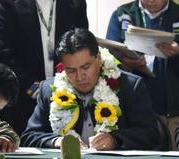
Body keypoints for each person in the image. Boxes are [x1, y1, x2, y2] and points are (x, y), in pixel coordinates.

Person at [21, 28, 159, 150]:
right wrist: (57, 141)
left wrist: (115, 139)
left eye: (85, 67)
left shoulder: (129, 86)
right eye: (71, 70)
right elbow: (29, 136)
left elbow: (151, 134)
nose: (80, 77)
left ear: (99, 58)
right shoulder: (49, 90)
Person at [106, 0, 179, 150]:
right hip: (132, 113)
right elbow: (107, 62)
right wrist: (126, 63)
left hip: (174, 112)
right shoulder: (122, 15)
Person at [0, 0, 88, 134]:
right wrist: (34, 89)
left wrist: (64, 86)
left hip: (69, 97)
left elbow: (81, 46)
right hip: (23, 100)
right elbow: (3, 52)